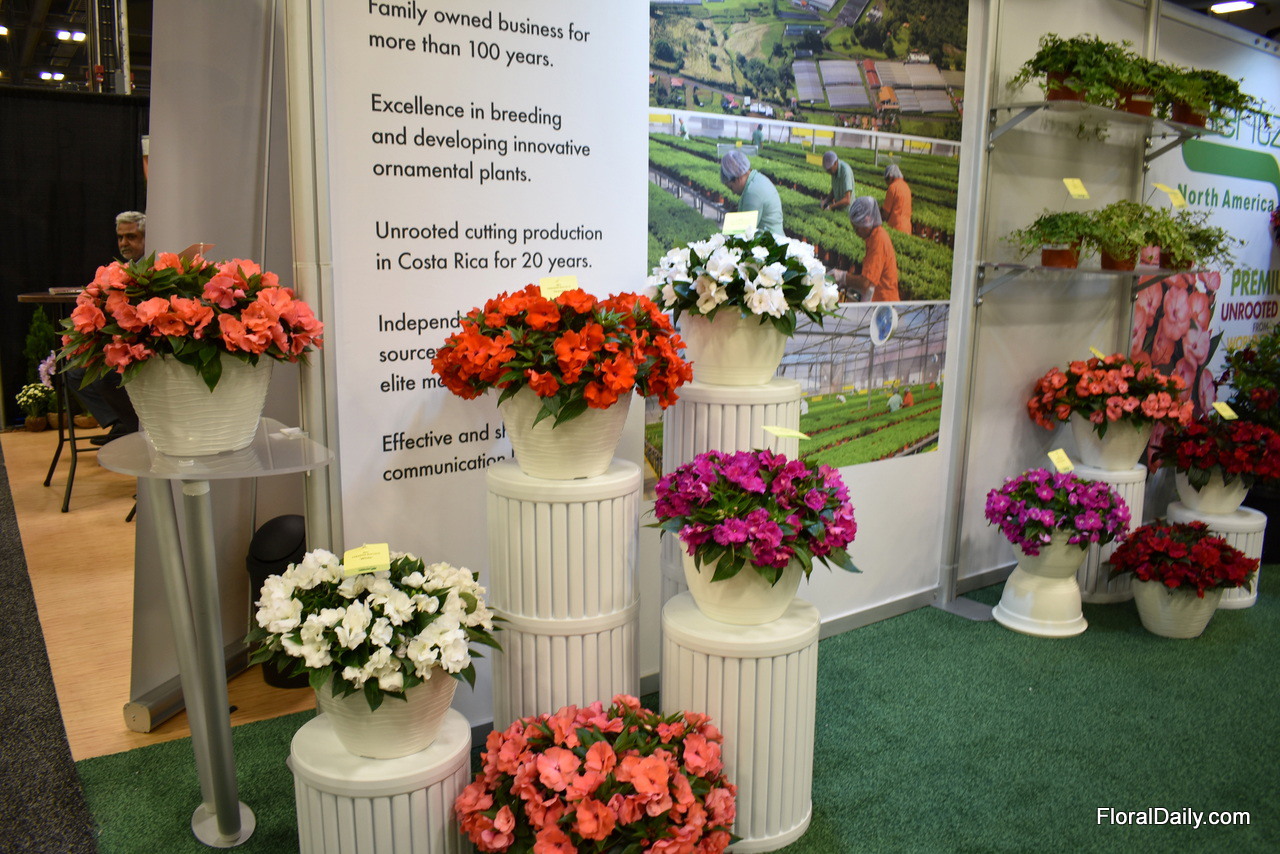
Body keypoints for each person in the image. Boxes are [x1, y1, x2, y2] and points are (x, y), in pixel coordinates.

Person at [70, 211, 144, 445]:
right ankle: (121, 424)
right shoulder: (122, 268)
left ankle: (135, 430)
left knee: (106, 377)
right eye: (120, 237)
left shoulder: (152, 268)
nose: (124, 243)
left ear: (146, 237)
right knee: (75, 373)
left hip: (140, 346)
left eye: (131, 236)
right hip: (118, 341)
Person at [844, 197, 900, 303]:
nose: (856, 232)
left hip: (885, 301)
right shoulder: (873, 237)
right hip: (877, 299)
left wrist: (843, 277)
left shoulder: (878, 240)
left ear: (867, 220)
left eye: (857, 228)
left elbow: (865, 282)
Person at [720, 150, 784, 237]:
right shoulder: (757, 179)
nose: (733, 192)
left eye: (731, 187)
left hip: (771, 242)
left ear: (738, 178)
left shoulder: (752, 193)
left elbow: (745, 233)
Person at [882, 164, 913, 234]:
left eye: (886, 179)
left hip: (896, 227)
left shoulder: (893, 188)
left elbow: (886, 212)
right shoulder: (906, 187)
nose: (886, 183)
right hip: (907, 227)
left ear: (890, 177)